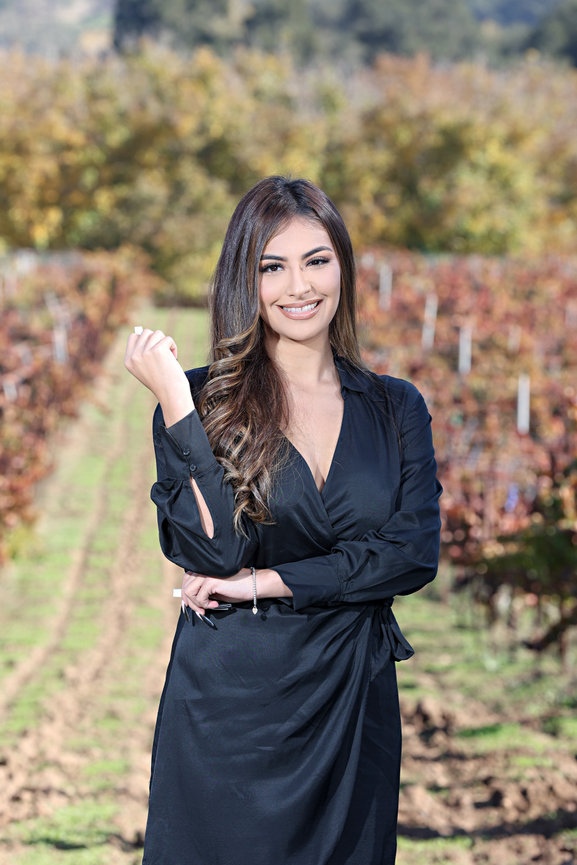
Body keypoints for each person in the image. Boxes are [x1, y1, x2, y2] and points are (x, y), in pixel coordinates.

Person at [124, 175, 442, 865]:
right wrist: (176, 402)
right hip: (233, 706)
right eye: (273, 266)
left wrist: (263, 581)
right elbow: (213, 553)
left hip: (352, 696)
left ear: (342, 267)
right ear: (246, 278)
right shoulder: (201, 403)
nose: (299, 286)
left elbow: (413, 553)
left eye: (316, 260)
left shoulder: (396, 407)